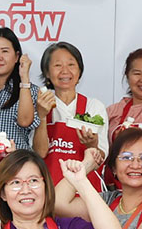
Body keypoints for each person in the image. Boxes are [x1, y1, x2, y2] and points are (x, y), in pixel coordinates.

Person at [32, 41, 108, 190]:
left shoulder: (93, 106)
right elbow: (40, 153)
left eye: (71, 65)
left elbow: (101, 157)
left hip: (86, 192)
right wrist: (41, 115)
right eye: (57, 65)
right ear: (47, 73)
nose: (65, 71)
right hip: (49, 191)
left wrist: (91, 144)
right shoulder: (39, 104)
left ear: (80, 71)